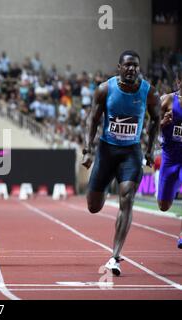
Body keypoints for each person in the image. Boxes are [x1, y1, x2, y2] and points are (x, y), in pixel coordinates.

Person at [82, 50, 160, 275]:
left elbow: (155, 120)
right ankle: (104, 186)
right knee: (93, 207)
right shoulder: (105, 89)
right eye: (127, 65)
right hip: (107, 151)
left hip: (131, 153)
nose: (131, 69)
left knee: (127, 198)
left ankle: (115, 255)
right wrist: (88, 149)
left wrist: (150, 147)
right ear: (119, 68)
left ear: (139, 69)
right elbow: (93, 119)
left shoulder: (149, 93)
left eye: (135, 66)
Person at [157, 70, 182, 249]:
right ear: (178, 81)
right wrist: (162, 124)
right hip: (170, 158)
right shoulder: (166, 100)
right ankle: (171, 191)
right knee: (163, 206)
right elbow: (151, 127)